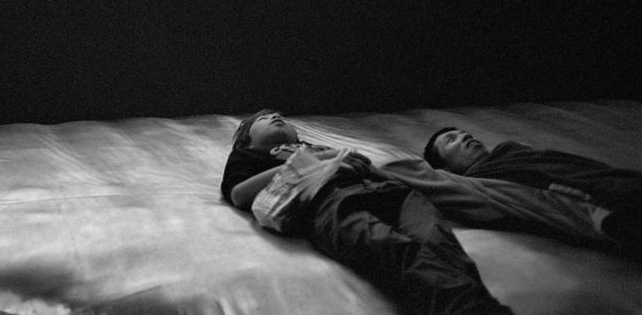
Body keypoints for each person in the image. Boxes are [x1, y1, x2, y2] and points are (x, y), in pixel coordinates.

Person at [222, 110, 514, 315]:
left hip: (391, 192)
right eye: (263, 119)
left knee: (441, 244)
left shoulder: (313, 146)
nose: (275, 117)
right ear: (247, 140)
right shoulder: (248, 156)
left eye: (280, 118)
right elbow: (239, 193)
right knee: (394, 249)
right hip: (330, 201)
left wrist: (348, 160)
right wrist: (313, 162)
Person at [423, 127, 642, 256]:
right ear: (445, 169)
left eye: (464, 133)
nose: (464, 136)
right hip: (615, 205)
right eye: (451, 140)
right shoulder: (483, 183)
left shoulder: (513, 153)